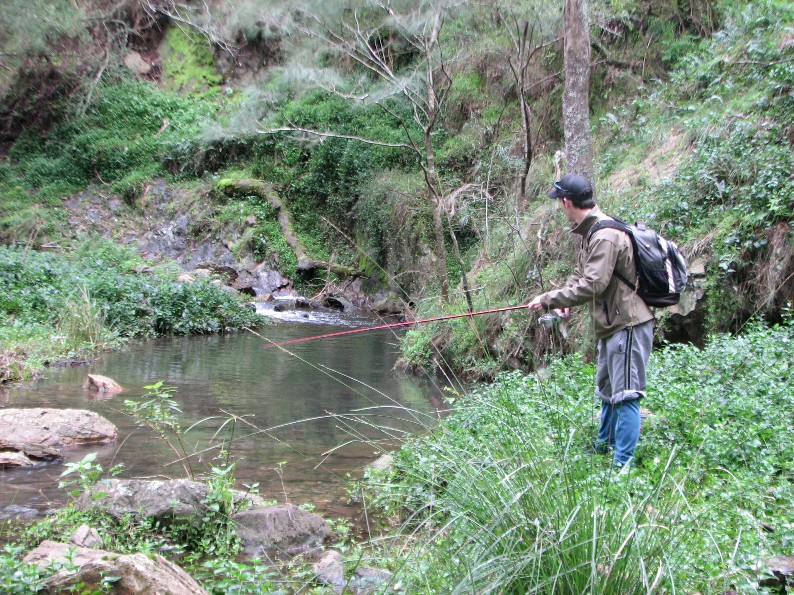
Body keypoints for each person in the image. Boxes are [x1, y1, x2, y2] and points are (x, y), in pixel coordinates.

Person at [527, 174, 654, 468]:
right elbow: (580, 274)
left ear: (567, 202)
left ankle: (623, 465)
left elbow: (593, 285)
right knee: (608, 390)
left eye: (560, 203)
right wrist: (564, 305)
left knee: (626, 394)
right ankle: (603, 446)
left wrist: (550, 299)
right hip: (611, 323)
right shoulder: (591, 232)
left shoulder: (604, 235)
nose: (561, 207)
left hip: (628, 324)